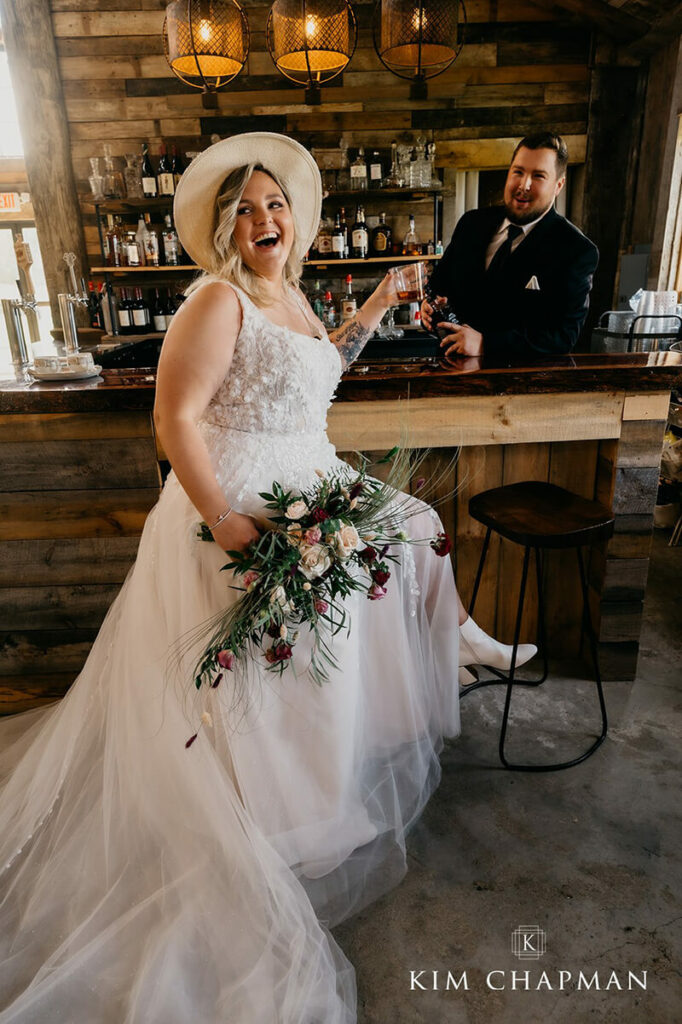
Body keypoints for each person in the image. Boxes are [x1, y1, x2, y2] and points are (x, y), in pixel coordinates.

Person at [0, 133, 535, 1023]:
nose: (264, 219)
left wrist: (372, 303)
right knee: (274, 673)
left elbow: (320, 375)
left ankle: (451, 648)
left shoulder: (284, 295)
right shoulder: (215, 301)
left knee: (413, 535)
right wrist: (225, 520)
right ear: (222, 229)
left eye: (275, 204)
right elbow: (175, 419)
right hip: (242, 497)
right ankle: (274, 815)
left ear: (296, 220)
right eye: (245, 209)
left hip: (310, 474)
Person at [422, 131, 599, 361]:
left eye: (538, 176)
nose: (524, 185)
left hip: (519, 387)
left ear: (558, 185)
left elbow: (563, 338)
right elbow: (439, 288)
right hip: (451, 373)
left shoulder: (576, 250)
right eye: (518, 172)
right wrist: (430, 308)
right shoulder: (471, 224)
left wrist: (487, 344)